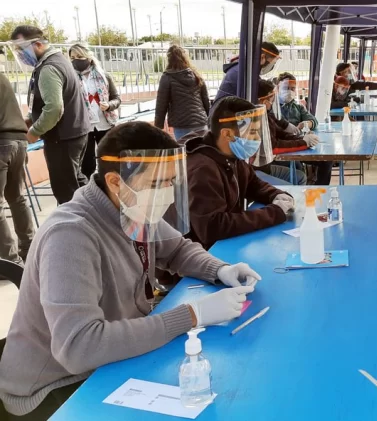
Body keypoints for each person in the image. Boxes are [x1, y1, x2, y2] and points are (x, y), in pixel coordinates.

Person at [0, 121, 262, 420]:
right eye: (155, 184)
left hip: (107, 362)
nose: (165, 194)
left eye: (170, 182)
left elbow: (177, 249)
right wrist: (192, 315)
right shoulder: (70, 236)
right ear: (115, 182)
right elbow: (79, 347)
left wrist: (221, 269)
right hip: (55, 390)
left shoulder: (133, 208)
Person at [185, 96, 296, 250]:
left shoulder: (232, 155)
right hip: (207, 254)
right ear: (227, 134)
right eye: (252, 132)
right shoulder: (202, 170)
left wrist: (274, 194)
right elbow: (212, 227)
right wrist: (273, 213)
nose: (257, 139)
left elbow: (253, 184)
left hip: (228, 244)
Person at [10, 26, 91, 205]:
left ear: (37, 44)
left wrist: (35, 131)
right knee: (77, 184)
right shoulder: (60, 59)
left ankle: (74, 229)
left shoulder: (49, 68)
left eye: (21, 49)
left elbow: (54, 108)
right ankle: (94, 220)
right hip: (75, 133)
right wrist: (31, 118)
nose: (19, 55)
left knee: (66, 192)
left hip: (61, 139)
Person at [68, 43, 121, 180]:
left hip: (106, 124)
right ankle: (90, 193)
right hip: (84, 127)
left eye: (80, 56)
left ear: (89, 57)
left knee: (110, 160)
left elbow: (116, 98)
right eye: (72, 57)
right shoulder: (70, 78)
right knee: (87, 165)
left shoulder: (104, 76)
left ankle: (111, 188)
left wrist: (109, 105)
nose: (76, 60)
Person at [0, 73, 34, 264]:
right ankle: (29, 250)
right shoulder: (2, 77)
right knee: (17, 197)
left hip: (2, 143)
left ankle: (10, 261)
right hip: (19, 140)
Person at [254, 80, 315, 185]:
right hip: (258, 168)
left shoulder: (266, 116)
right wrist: (304, 143)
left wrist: (301, 137)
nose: (273, 101)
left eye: (293, 88)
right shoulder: (258, 119)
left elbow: (281, 134)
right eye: (272, 98)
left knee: (297, 169)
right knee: (299, 177)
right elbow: (274, 146)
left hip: (263, 166)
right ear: (264, 101)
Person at [276, 73, 333, 185]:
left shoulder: (298, 107)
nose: (290, 91)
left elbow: (314, 121)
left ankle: (319, 191)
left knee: (327, 160)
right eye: (286, 88)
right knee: (296, 167)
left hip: (299, 144)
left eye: (293, 88)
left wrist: (307, 124)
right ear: (277, 87)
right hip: (281, 146)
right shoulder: (273, 108)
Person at [154, 45, 210, 141]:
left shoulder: (167, 77)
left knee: (185, 152)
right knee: (202, 151)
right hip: (201, 122)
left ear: (169, 59)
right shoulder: (196, 74)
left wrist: (158, 126)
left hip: (181, 124)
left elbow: (161, 103)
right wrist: (209, 118)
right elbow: (205, 99)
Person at [215, 42, 281, 100]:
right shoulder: (242, 73)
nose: (271, 67)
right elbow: (257, 90)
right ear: (262, 57)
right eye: (272, 63)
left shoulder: (244, 69)